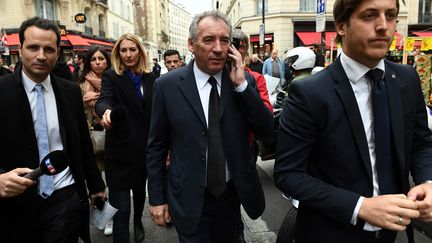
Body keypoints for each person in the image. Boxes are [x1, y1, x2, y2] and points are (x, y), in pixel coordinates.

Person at [274, 0, 432, 242]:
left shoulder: (407, 79)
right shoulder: (309, 93)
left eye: (390, 16)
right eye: (369, 16)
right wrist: (360, 207)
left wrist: (427, 181)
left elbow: (421, 144)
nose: (383, 26)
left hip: (393, 232)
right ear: (341, 26)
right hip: (330, 233)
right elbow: (288, 175)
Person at [146, 10, 274, 243]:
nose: (218, 48)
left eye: (224, 40)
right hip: (188, 197)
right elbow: (156, 147)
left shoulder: (244, 81)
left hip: (230, 197)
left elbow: (267, 130)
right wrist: (156, 198)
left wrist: (242, 86)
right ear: (191, 45)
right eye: (208, 40)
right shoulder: (167, 86)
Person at [0, 16, 106, 243]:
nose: (41, 55)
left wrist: (96, 185)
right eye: (33, 47)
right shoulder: (2, 91)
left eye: (48, 49)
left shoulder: (69, 92)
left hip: (64, 196)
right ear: (19, 49)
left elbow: (82, 143)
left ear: (57, 53)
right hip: (16, 202)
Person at [95, 33, 156, 243]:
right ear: (118, 53)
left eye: (132, 49)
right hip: (120, 153)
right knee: (121, 212)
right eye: (123, 50)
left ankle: (138, 220)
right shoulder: (112, 76)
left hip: (143, 151)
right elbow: (103, 100)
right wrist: (106, 112)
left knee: (140, 194)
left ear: (140, 51)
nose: (128, 54)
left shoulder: (150, 77)